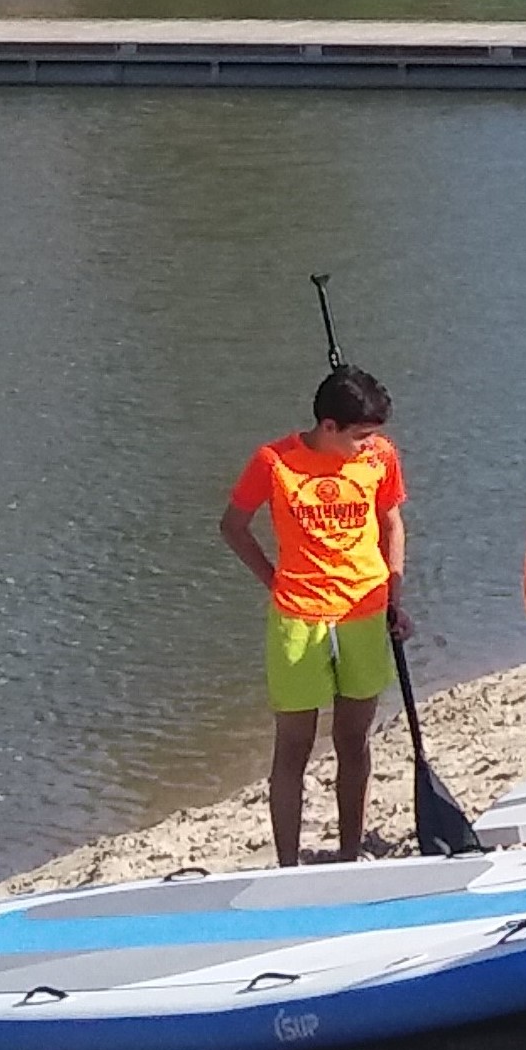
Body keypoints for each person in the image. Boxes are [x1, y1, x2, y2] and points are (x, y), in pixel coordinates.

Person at [219, 365, 412, 866]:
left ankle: (350, 852)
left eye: (373, 437)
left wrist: (395, 594)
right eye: (359, 437)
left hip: (364, 611)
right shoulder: (273, 461)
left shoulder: (381, 457)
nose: (368, 447)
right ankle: (288, 864)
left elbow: (391, 521)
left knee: (354, 738)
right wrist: (273, 579)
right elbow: (233, 525)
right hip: (298, 618)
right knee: (294, 745)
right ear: (328, 427)